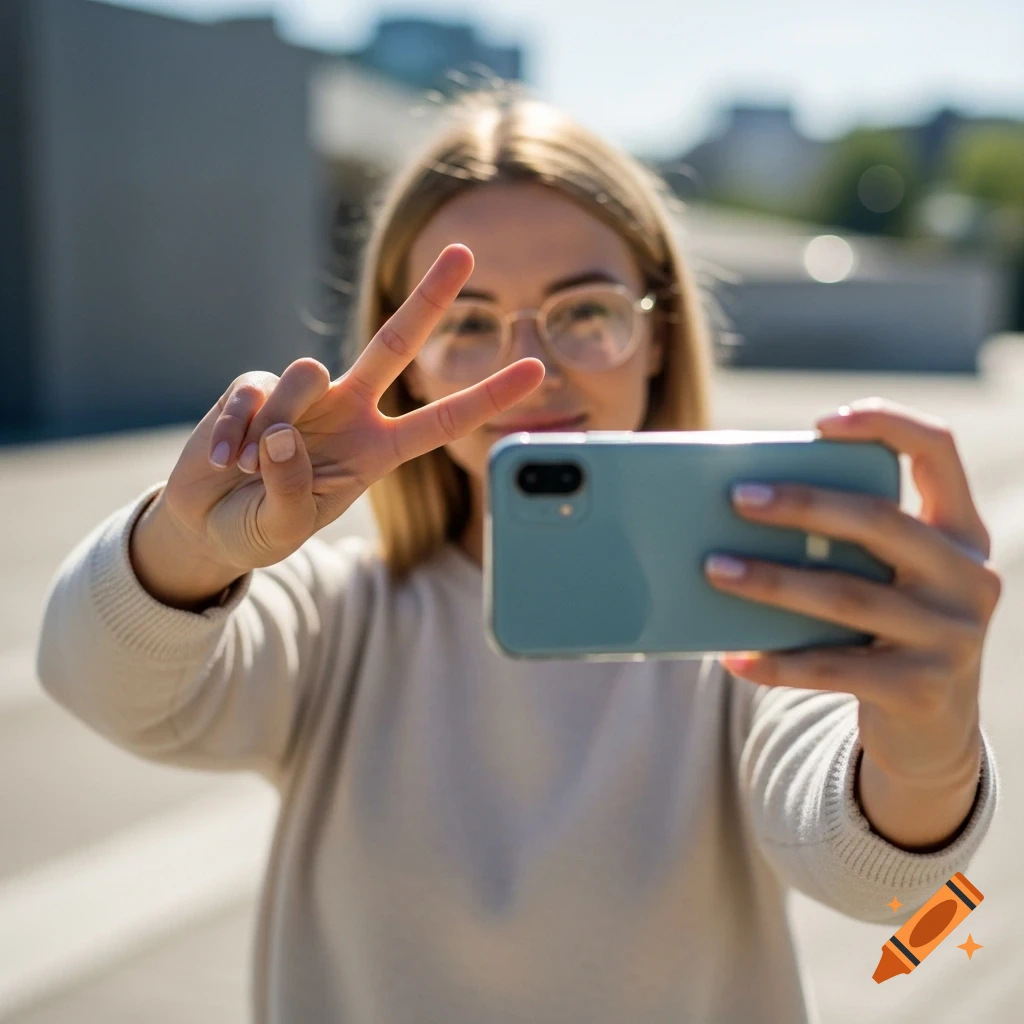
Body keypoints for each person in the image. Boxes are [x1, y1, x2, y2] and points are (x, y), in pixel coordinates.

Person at [36, 86, 1002, 1023]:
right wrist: (184, 550)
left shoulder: (750, 608)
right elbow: (100, 681)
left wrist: (926, 746)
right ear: (405, 358)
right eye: (466, 322)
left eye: (586, 311)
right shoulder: (337, 617)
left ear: (658, 337)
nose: (526, 369)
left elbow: (871, 874)